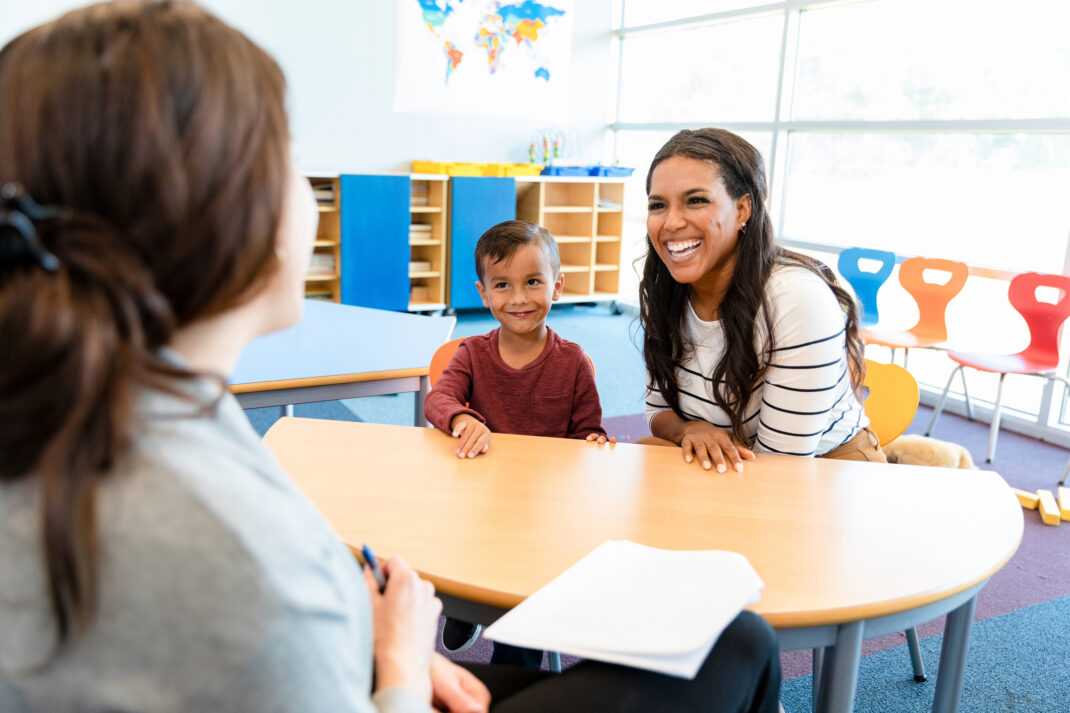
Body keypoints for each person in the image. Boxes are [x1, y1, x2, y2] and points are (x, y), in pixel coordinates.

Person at [0, 4, 781, 712]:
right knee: (740, 644)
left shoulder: (106, 405)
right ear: (227, 214)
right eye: (289, 159)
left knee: (731, 642)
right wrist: (400, 664)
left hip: (361, 665)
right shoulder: (229, 558)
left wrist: (379, 650)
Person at [423, 219, 611, 666]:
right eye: (502, 285)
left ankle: (512, 659)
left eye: (533, 282)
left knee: (521, 614)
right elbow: (440, 399)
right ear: (484, 294)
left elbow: (589, 432)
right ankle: (464, 604)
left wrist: (594, 443)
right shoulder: (472, 353)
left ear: (557, 286)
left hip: (544, 510)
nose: (520, 298)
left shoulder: (573, 362)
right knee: (451, 546)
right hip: (481, 501)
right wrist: (462, 418)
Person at [640, 128, 883, 472]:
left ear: (742, 209)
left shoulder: (796, 299)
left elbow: (780, 466)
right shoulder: (665, 286)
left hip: (821, 470)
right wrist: (691, 428)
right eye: (658, 205)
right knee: (642, 457)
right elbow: (658, 410)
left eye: (696, 200)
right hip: (733, 462)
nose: (672, 222)